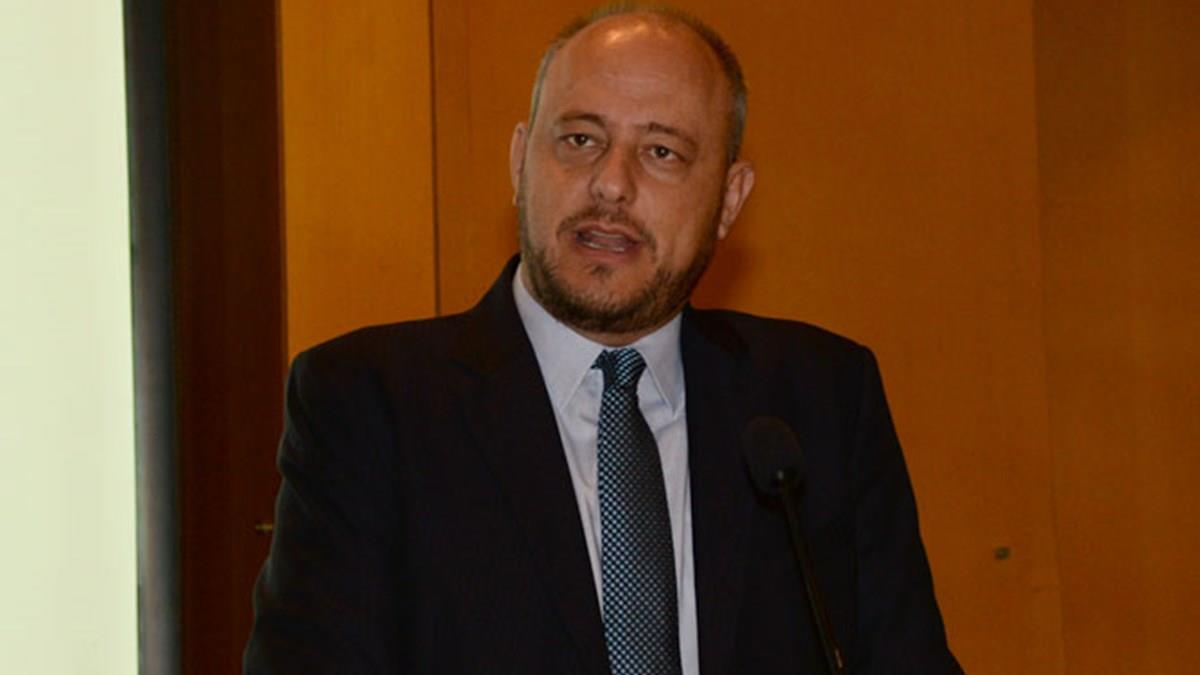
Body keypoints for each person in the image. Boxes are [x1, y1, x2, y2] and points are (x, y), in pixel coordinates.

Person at [245, 5, 962, 674]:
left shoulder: (818, 399)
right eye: (580, 140)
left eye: (662, 151)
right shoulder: (370, 404)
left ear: (729, 199)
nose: (611, 185)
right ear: (520, 162)